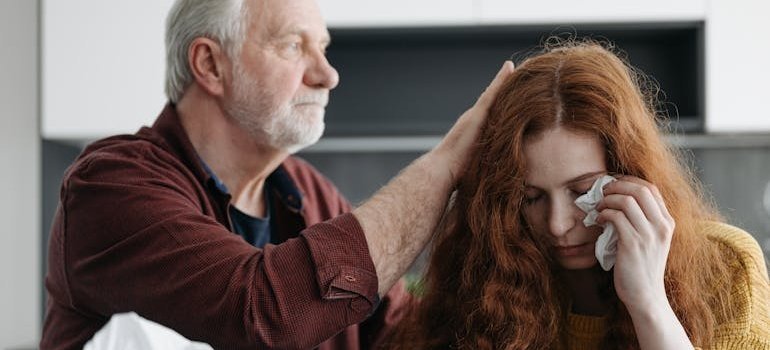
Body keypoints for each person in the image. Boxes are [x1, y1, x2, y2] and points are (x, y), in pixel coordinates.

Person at [39, 0, 514, 348]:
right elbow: (262, 312)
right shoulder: (110, 188)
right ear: (210, 64)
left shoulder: (310, 195)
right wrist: (445, 164)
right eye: (293, 46)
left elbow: (402, 337)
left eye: (323, 49)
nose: (327, 75)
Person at [386, 40, 770, 349]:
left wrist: (648, 302)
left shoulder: (726, 267)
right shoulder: (490, 276)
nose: (557, 225)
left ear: (632, 174)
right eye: (530, 198)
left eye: (583, 191)